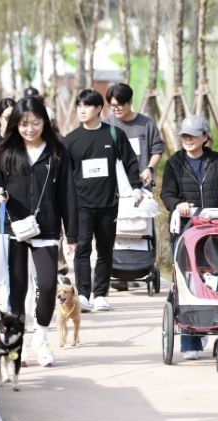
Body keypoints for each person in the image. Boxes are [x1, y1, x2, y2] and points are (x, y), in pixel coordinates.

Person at [0, 96, 78, 366]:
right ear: (16, 125)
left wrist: (72, 233)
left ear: (45, 123)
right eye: (24, 124)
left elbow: (68, 194)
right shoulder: (6, 152)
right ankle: (16, 345)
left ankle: (40, 339)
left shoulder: (57, 153)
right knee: (17, 288)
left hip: (47, 227)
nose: (30, 129)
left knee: (49, 285)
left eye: (35, 123)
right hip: (15, 227)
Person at [160, 115, 218, 360]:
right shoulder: (174, 163)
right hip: (184, 229)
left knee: (215, 275)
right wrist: (178, 204)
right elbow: (167, 194)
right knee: (188, 280)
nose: (188, 140)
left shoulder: (217, 161)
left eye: (193, 136)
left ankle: (214, 323)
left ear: (205, 137)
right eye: (184, 136)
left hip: (212, 230)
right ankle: (190, 340)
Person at [64, 89, 142, 313]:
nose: (82, 110)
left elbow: (130, 161)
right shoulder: (70, 140)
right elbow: (65, 176)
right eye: (79, 105)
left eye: (87, 106)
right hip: (81, 205)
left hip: (108, 203)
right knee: (82, 249)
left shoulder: (114, 135)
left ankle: (100, 295)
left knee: (105, 250)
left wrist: (136, 187)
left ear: (99, 108)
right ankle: (83, 295)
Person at [105, 83, 164, 189]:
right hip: (114, 186)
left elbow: (157, 150)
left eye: (120, 104)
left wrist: (149, 168)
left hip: (141, 183)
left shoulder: (147, 124)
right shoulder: (106, 125)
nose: (116, 108)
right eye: (113, 105)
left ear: (130, 102)